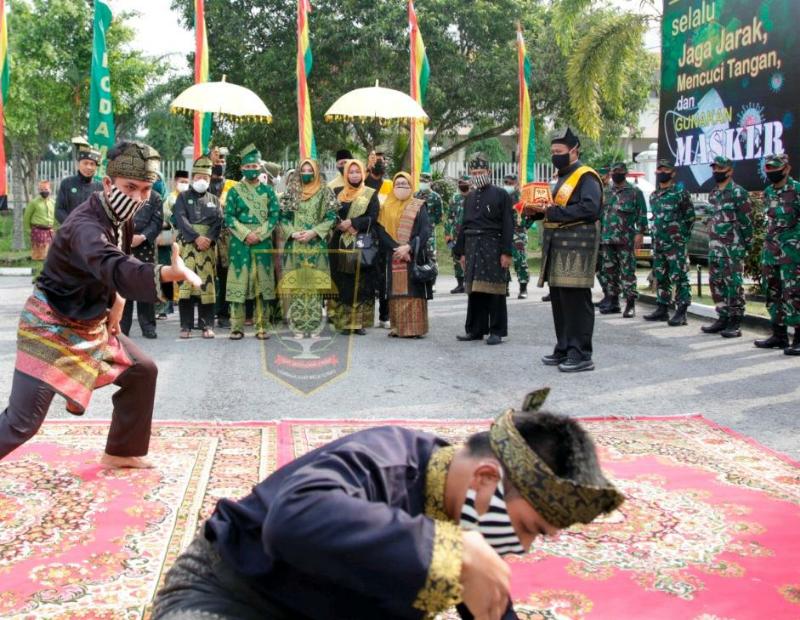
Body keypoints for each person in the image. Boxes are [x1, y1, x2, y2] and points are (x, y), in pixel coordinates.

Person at [151, 387, 624, 620]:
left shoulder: (472, 521)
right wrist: (455, 552)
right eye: (527, 527)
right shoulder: (385, 459)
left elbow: (492, 607)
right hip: (228, 593)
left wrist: (463, 557)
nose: (522, 547)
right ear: (486, 479)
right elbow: (291, 520)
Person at [0, 141, 201, 465]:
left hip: (89, 323)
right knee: (22, 423)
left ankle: (121, 452)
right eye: (130, 187)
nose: (138, 197)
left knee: (142, 371)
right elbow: (113, 264)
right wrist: (165, 273)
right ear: (108, 184)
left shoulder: (122, 217)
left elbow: (113, 264)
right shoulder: (84, 226)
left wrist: (117, 299)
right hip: (50, 326)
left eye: (145, 189)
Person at [527, 128, 603, 372]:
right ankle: (564, 347)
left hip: (577, 249)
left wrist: (552, 212)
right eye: (552, 152)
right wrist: (536, 211)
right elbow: (553, 209)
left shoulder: (586, 176)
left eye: (559, 151)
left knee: (576, 302)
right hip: (558, 247)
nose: (554, 155)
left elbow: (590, 209)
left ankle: (581, 354)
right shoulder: (560, 177)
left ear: (574, 150)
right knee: (560, 301)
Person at [454, 155, 515, 345]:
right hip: (472, 245)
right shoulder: (469, 197)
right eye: (474, 173)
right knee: (474, 290)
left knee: (495, 289)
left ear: (489, 172)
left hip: (493, 245)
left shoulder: (501, 194)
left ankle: (497, 331)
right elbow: (464, 225)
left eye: (480, 172)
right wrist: (461, 252)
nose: (477, 175)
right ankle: (475, 330)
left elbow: (508, 224)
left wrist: (506, 252)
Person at [225, 144, 281, 340]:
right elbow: (229, 216)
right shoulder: (234, 191)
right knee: (238, 284)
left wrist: (259, 234)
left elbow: (274, 216)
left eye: (254, 166)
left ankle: (262, 326)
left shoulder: (268, 191)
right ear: (242, 168)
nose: (251, 170)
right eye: (247, 167)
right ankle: (236, 327)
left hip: (262, 241)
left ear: (260, 168)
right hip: (240, 242)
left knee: (262, 285)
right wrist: (245, 234)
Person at [278, 159, 338, 335]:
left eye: (309, 170)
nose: (306, 173)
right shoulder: (292, 191)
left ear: (316, 172)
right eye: (303, 170)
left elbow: (331, 217)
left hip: (316, 245)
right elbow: (283, 217)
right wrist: (292, 233)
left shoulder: (325, 191)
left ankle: (313, 325)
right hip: (295, 245)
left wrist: (314, 232)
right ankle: (298, 325)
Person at [700, 156, 754, 338]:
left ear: (730, 171)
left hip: (733, 248)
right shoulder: (714, 193)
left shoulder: (739, 193)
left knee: (733, 284)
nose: (716, 171)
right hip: (715, 248)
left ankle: (735, 321)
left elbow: (746, 222)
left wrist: (746, 246)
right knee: (716, 282)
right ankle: (722, 317)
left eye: (720, 168)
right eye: (714, 168)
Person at [173, 156, 225, 339]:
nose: (201, 180)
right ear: (193, 177)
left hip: (208, 249)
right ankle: (185, 326)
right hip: (188, 246)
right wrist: (196, 237)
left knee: (206, 286)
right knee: (186, 285)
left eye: (205, 177)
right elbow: (181, 219)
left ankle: (207, 325)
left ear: (210, 179)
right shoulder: (183, 197)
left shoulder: (214, 200)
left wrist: (208, 238)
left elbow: (218, 221)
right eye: (198, 177)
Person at [376, 172, 432, 338]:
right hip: (394, 255)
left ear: (411, 186)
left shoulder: (418, 205)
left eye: (405, 184)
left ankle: (415, 329)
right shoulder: (385, 207)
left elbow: (425, 230)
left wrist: (409, 248)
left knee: (413, 292)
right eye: (398, 184)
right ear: (393, 187)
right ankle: (398, 328)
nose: (401, 186)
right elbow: (381, 231)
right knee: (396, 292)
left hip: (414, 255)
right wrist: (397, 249)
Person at [755, 153, 800, 355]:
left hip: (792, 253)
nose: (772, 172)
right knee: (773, 293)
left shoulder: (797, 190)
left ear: (787, 168)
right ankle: (779, 335)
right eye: (769, 169)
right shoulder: (768, 192)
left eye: (776, 168)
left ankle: (798, 338)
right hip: (771, 251)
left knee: (794, 294)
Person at [643, 159, 695, 326]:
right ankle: (662, 308)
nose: (661, 173)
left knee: (680, 276)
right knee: (661, 276)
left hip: (675, 244)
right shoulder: (654, 196)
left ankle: (682, 311)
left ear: (673, 173)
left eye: (665, 170)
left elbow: (690, 218)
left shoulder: (680, 193)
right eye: (659, 170)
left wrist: (681, 237)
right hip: (659, 243)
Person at [330, 159, 380, 335]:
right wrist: (340, 224)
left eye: (357, 172)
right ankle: (344, 322)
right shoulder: (337, 192)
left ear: (363, 173)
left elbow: (373, 216)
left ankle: (358, 323)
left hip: (360, 242)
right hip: (340, 242)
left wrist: (353, 223)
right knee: (343, 281)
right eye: (351, 172)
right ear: (346, 174)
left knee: (361, 281)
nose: (354, 175)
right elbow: (329, 214)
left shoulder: (370, 193)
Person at [596, 162, 647, 318]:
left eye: (619, 171)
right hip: (607, 238)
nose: (615, 173)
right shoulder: (606, 192)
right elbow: (600, 215)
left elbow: (642, 215)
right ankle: (613, 302)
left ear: (625, 173)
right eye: (613, 171)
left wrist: (640, 233)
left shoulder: (635, 192)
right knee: (609, 272)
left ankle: (630, 304)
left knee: (627, 273)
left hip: (626, 240)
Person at [120, 189, 164, 339]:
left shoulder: (155, 196)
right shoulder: (123, 190)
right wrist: (126, 235)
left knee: (146, 283)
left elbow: (157, 222)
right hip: (122, 242)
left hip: (145, 245)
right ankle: (122, 326)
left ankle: (148, 326)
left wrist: (143, 236)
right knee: (124, 283)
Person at [156, 171, 190, 319]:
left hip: (186, 240)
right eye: (181, 181)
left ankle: (183, 305)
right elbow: (164, 220)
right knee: (165, 271)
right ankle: (162, 308)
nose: (184, 184)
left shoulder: (190, 198)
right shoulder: (168, 199)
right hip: (170, 239)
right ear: (175, 181)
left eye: (186, 181)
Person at [55, 147, 103, 225]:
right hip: (70, 229)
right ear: (78, 164)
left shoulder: (100, 187)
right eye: (85, 163)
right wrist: (72, 225)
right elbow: (59, 210)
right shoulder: (67, 183)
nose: (88, 167)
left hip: (93, 230)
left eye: (92, 164)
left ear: (96, 167)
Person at [504, 173, 533, 300]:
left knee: (520, 261)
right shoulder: (501, 196)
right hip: (503, 232)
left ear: (516, 183)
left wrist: (523, 228)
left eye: (511, 183)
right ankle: (504, 287)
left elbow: (531, 215)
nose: (508, 185)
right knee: (503, 260)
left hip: (518, 232)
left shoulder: (523, 197)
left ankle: (523, 288)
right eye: (506, 183)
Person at [23, 179, 56, 281]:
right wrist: (29, 231)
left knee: (51, 256)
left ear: (50, 189)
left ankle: (48, 278)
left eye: (45, 189)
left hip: (50, 232)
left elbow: (55, 218)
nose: (44, 191)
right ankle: (38, 277)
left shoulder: (53, 202)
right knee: (39, 257)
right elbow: (26, 218)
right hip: (38, 231)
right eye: (41, 189)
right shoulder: (34, 202)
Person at [415, 172, 443, 292]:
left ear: (430, 182)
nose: (423, 183)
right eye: (421, 181)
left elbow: (439, 216)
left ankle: (432, 283)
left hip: (430, 232)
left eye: (425, 182)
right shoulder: (415, 195)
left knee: (431, 256)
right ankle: (419, 281)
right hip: (417, 231)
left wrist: (429, 224)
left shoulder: (436, 197)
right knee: (418, 255)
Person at [445, 175, 470, 294]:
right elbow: (449, 217)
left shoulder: (475, 197)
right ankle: (460, 284)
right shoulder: (455, 198)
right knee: (456, 258)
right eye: (461, 183)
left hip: (470, 233)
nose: (462, 185)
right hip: (456, 234)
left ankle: (470, 283)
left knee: (471, 258)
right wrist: (447, 234)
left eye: (465, 183)